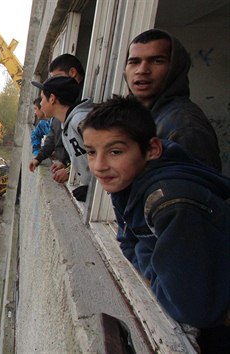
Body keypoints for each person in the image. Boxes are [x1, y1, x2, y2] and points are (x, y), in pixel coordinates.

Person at [82, 95, 230, 353]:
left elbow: (190, 308)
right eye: (91, 152)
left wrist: (150, 264)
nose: (99, 166)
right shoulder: (130, 182)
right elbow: (126, 241)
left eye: (115, 151)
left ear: (152, 149)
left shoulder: (171, 203)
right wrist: (155, 262)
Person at [125, 29, 221, 171]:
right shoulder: (142, 117)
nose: (142, 70)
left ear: (175, 68)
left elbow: (191, 190)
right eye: (134, 62)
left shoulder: (184, 127)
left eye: (157, 61)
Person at [30, 75, 94, 202]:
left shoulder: (80, 121)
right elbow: (84, 156)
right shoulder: (66, 124)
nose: (41, 103)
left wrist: (92, 188)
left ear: (52, 99)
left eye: (42, 98)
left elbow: (108, 158)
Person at [29, 54, 85, 185]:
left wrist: (71, 170)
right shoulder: (63, 118)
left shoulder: (80, 119)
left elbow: (93, 155)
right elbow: (53, 135)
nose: (40, 105)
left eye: (57, 77)